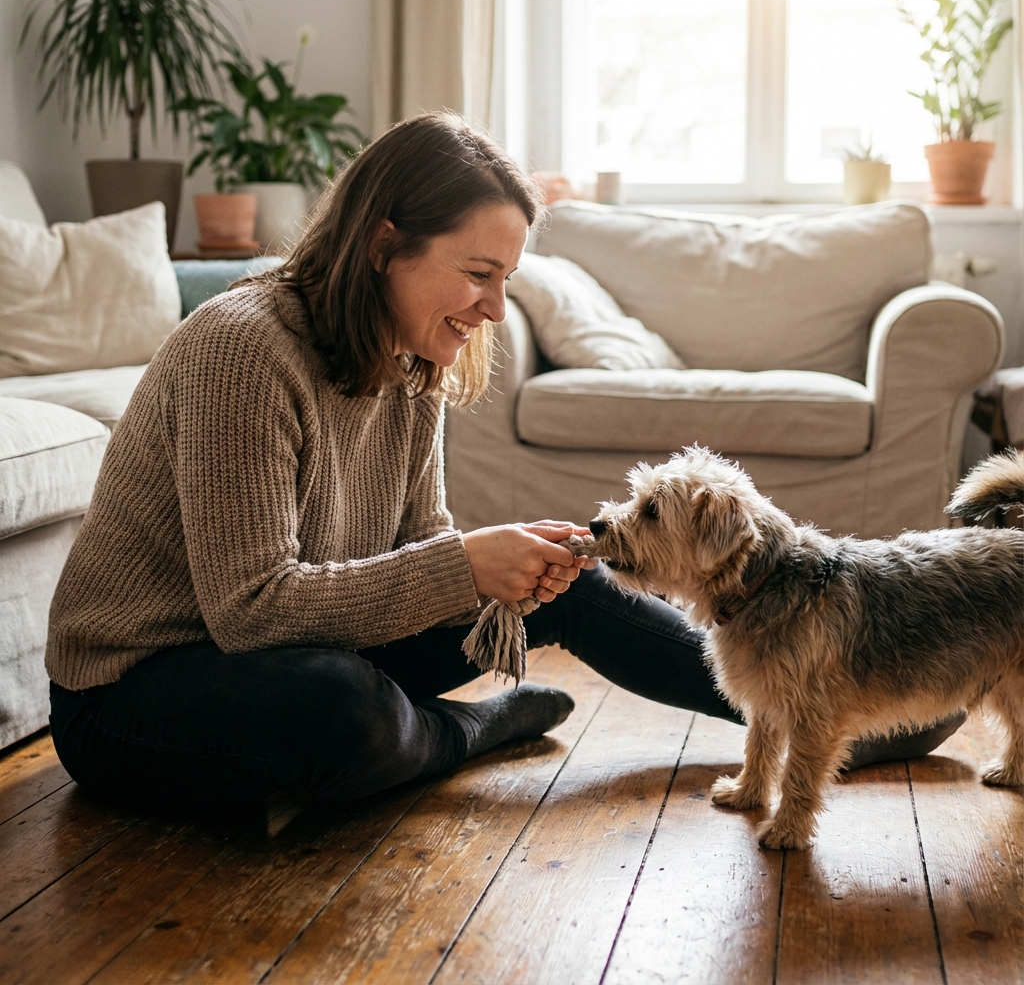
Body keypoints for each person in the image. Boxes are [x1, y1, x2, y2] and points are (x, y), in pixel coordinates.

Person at [46, 114, 963, 816]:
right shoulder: (241, 351)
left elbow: (415, 549)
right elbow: (248, 613)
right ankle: (464, 731)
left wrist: (501, 566)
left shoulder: (411, 359)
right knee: (338, 708)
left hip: (306, 642)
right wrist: (461, 567)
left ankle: (806, 717)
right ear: (383, 243)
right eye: (477, 273)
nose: (490, 308)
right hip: (142, 687)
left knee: (562, 579)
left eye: (505, 282)